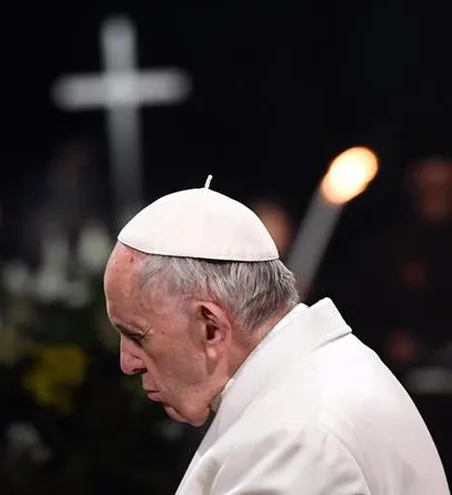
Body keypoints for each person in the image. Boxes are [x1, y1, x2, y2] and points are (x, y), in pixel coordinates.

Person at [102, 177, 449, 494]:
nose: (127, 363)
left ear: (211, 327)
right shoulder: (311, 382)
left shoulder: (293, 440)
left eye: (138, 336)